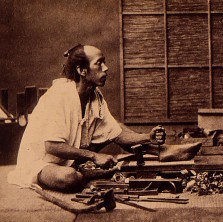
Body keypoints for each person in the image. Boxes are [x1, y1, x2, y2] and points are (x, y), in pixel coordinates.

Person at [7, 44, 201, 192]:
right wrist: (93, 156)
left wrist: (146, 137)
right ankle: (85, 172)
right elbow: (52, 146)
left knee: (117, 125)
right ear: (82, 71)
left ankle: (161, 150)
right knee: (69, 178)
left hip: (70, 154)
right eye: (99, 63)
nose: (106, 68)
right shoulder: (60, 96)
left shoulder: (95, 95)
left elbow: (115, 134)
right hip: (42, 161)